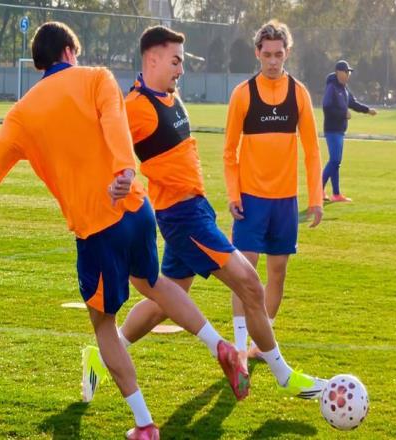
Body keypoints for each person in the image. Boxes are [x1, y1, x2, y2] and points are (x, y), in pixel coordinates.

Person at [0, 21, 249, 440]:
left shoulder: (21, 114)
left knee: (103, 324)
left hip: (97, 228)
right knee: (153, 282)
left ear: (42, 61)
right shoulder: (97, 77)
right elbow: (116, 122)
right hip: (137, 208)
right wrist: (124, 171)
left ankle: (144, 424)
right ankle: (219, 345)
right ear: (69, 52)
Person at [107, 25, 326, 404]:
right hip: (182, 217)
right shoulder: (135, 106)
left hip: (196, 207)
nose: (181, 69)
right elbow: (109, 145)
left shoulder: (169, 97)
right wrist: (118, 179)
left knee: (166, 301)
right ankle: (283, 375)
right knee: (250, 283)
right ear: (153, 59)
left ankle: (108, 348)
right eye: (175, 61)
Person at [224, 20, 323, 361]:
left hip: (285, 203)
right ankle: (239, 347)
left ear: (287, 53)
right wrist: (234, 195)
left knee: (277, 275)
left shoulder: (299, 93)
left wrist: (315, 199)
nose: (272, 61)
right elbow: (229, 152)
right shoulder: (243, 94)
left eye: (278, 54)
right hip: (251, 200)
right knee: (244, 275)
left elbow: (312, 151)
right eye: (267, 54)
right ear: (257, 53)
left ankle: (260, 346)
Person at [322, 60, 377, 202]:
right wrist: (343, 114)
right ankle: (318, 189)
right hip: (332, 130)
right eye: (346, 72)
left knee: (336, 162)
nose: (348, 75)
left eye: (349, 72)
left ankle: (336, 194)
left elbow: (353, 103)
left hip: (340, 130)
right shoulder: (332, 87)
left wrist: (367, 110)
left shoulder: (344, 89)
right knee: (334, 160)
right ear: (338, 72)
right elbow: (326, 106)